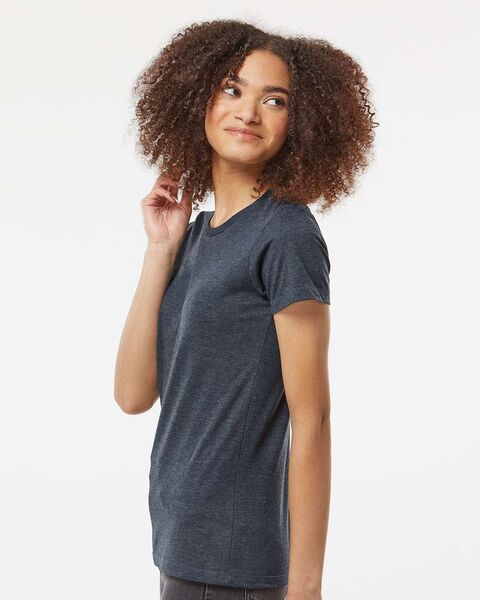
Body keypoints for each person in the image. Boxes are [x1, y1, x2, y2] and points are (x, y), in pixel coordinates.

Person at [114, 19, 377, 600]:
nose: (248, 112)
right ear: (198, 99)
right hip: (180, 543)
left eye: (274, 100)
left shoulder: (285, 235)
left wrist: (305, 588)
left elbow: (313, 418)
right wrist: (160, 250)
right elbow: (133, 395)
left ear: (299, 124)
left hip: (237, 562)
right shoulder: (196, 234)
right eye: (232, 89)